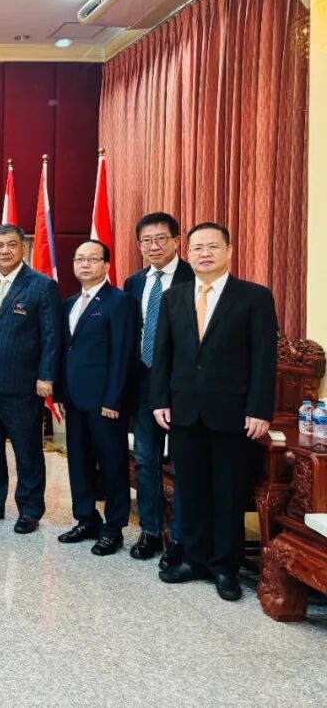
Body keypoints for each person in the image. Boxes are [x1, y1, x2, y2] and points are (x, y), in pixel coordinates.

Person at [152, 222, 277, 601]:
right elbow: (163, 354)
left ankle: (225, 567)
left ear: (228, 251)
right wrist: (160, 399)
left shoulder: (254, 297)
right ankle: (194, 559)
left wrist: (259, 409)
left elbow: (264, 359)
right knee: (190, 489)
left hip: (233, 412)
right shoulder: (174, 297)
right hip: (184, 410)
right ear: (187, 253)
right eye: (197, 248)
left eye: (212, 247)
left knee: (227, 491)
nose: (204, 253)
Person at [0, 224, 61, 534]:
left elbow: (51, 336)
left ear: (22, 248)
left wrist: (46, 376)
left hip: (22, 385)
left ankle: (30, 510)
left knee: (27, 450)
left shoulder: (41, 285)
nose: (5, 251)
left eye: (11, 245)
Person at [54, 240, 138, 555]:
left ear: (106, 264)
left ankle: (113, 528)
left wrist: (114, 399)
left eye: (92, 259)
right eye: (79, 259)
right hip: (75, 399)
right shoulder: (70, 303)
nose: (85, 264)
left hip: (105, 402)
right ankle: (86, 519)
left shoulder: (120, 301)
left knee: (112, 465)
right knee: (79, 462)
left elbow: (123, 353)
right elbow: (65, 352)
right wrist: (60, 392)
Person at [124, 212, 194, 566]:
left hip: (183, 386)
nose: (153, 246)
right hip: (143, 384)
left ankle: (180, 536)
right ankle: (151, 530)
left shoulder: (194, 278)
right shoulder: (134, 282)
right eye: (146, 240)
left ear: (176, 241)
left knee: (183, 464)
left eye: (161, 239)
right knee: (145, 459)